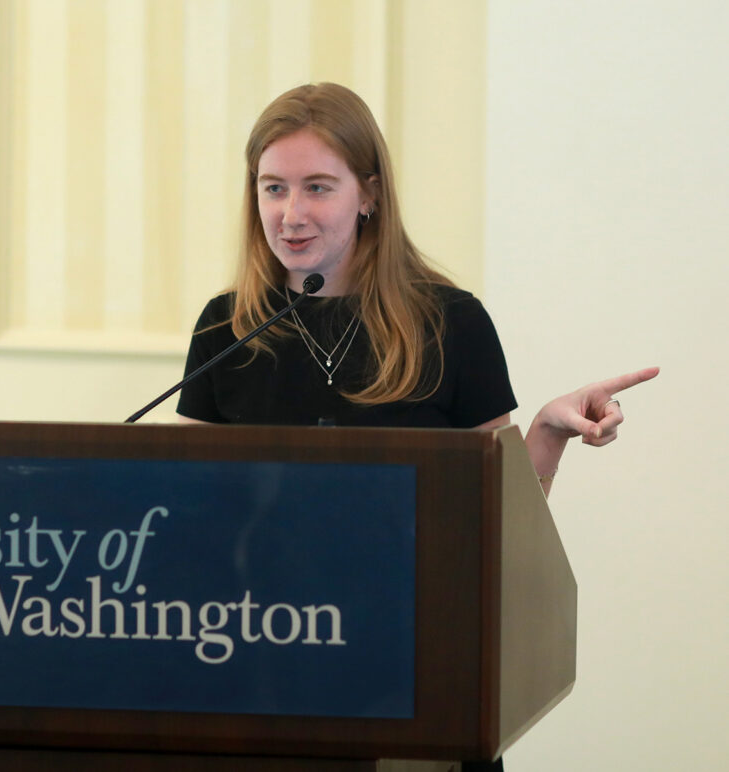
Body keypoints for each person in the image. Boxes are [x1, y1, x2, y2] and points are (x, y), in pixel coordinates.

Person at [175, 83, 658, 770]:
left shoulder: (449, 321)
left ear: (368, 193)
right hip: (263, 668)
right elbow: (188, 518)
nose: (290, 214)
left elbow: (497, 523)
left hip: (413, 666)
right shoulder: (226, 327)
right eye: (272, 188)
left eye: (317, 187)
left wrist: (545, 435)